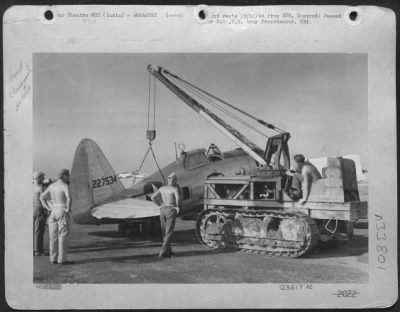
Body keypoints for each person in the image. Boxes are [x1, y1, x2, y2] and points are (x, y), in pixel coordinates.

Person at [40, 169, 73, 265]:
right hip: (62, 211)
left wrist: (48, 208)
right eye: (68, 176)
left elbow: (42, 197)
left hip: (53, 211)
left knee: (53, 237)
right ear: (64, 176)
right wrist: (68, 209)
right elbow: (69, 198)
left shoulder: (51, 186)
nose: (69, 177)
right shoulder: (65, 186)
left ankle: (52, 258)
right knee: (63, 235)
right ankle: (62, 259)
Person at [151, 172, 180, 258]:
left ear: (168, 180)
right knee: (169, 232)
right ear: (174, 180)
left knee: (164, 231)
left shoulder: (162, 188)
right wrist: (178, 208)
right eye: (175, 179)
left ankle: (168, 251)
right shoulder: (175, 189)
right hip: (171, 209)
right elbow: (178, 199)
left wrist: (160, 205)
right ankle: (163, 252)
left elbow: (152, 197)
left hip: (162, 210)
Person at [33, 171, 46, 256]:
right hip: (39, 209)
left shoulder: (31, 187)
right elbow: (44, 200)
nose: (43, 178)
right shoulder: (41, 188)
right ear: (39, 178)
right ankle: (38, 250)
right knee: (39, 230)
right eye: (42, 177)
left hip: (32, 209)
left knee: (33, 230)